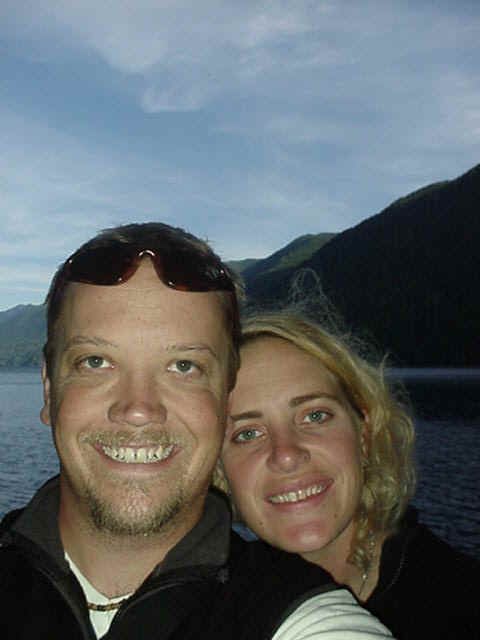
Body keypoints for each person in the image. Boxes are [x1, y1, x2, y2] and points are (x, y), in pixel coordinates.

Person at [0, 224, 394, 640]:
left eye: (184, 366)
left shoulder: (297, 616)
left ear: (226, 401)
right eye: (95, 362)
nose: (138, 409)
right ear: (49, 389)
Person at [218, 310, 480, 640]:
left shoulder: (462, 602)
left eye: (314, 416)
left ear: (364, 434)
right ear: (220, 470)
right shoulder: (212, 607)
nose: (286, 455)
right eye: (247, 433)